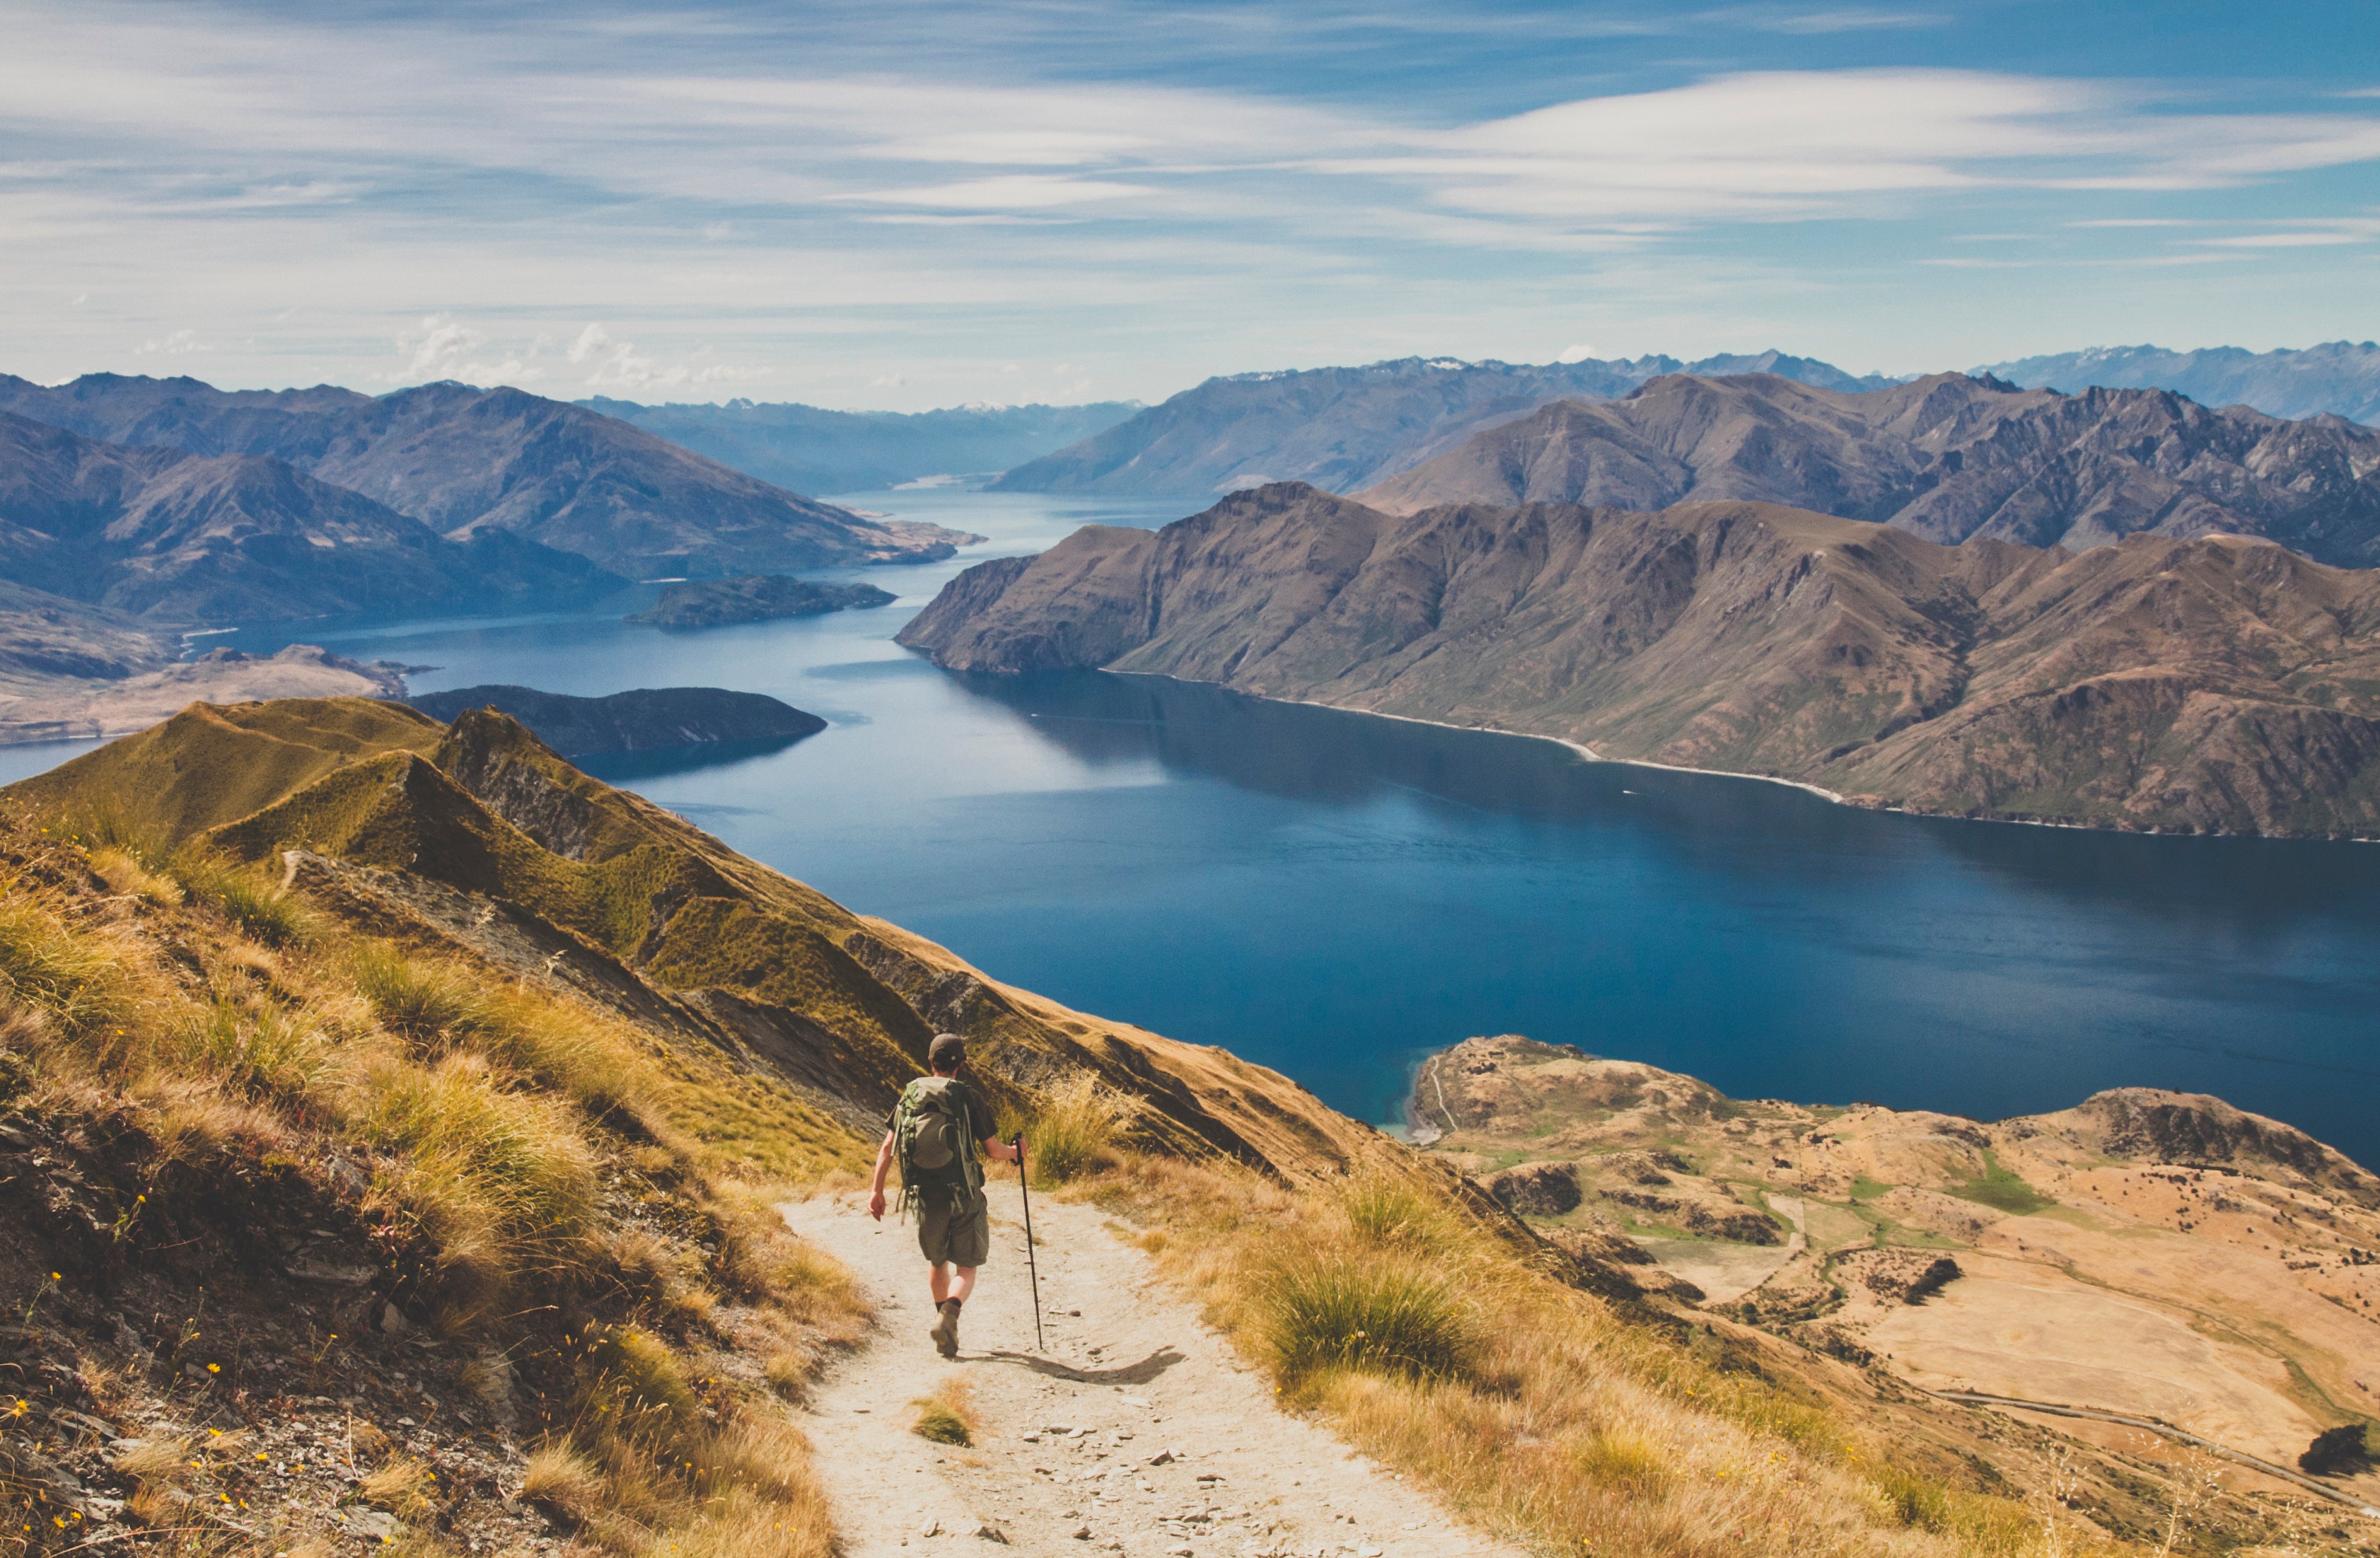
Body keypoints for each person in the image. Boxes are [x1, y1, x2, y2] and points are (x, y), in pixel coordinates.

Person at [868, 1031, 1022, 1358]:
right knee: (966, 1266)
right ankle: (949, 1315)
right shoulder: (968, 1096)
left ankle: (945, 1327)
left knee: (937, 1262)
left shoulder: (911, 1094)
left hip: (925, 1194)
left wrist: (876, 1191)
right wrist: (1017, 1152)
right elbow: (993, 1151)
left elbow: (887, 1147)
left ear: (931, 1062)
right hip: (964, 1193)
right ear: (961, 1064)